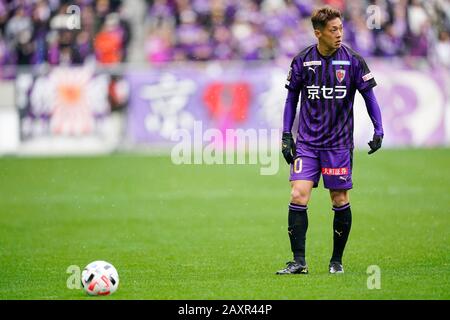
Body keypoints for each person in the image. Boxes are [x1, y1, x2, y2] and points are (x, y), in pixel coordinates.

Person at [276, 6, 384, 275]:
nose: (339, 34)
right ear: (318, 33)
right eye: (333, 30)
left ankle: (336, 261)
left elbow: (369, 97)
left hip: (338, 145)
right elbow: (291, 99)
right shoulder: (302, 61)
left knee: (338, 198)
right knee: (298, 195)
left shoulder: (353, 61)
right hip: (308, 144)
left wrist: (378, 129)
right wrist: (287, 134)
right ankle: (298, 261)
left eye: (340, 29)